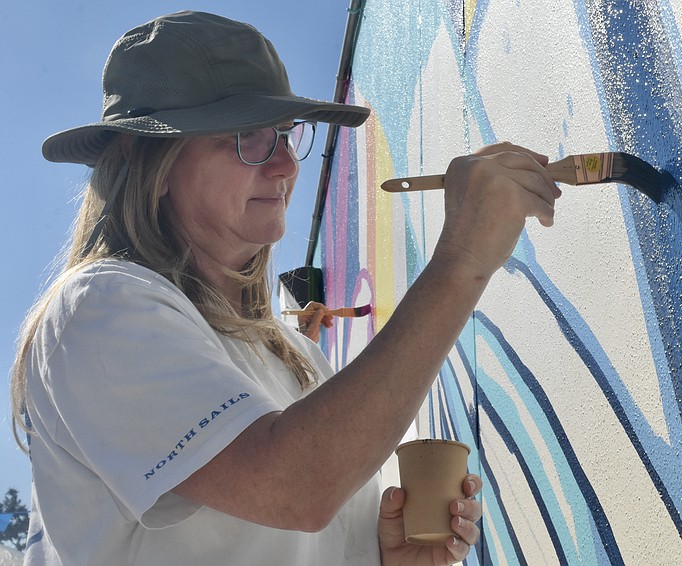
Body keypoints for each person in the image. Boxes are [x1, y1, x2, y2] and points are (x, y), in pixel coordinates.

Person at [10, 10, 560, 566]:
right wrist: (461, 261)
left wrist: (387, 557)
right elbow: (297, 487)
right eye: (246, 138)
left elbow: (300, 510)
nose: (284, 165)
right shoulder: (98, 308)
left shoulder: (294, 354)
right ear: (145, 160)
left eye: (285, 135)